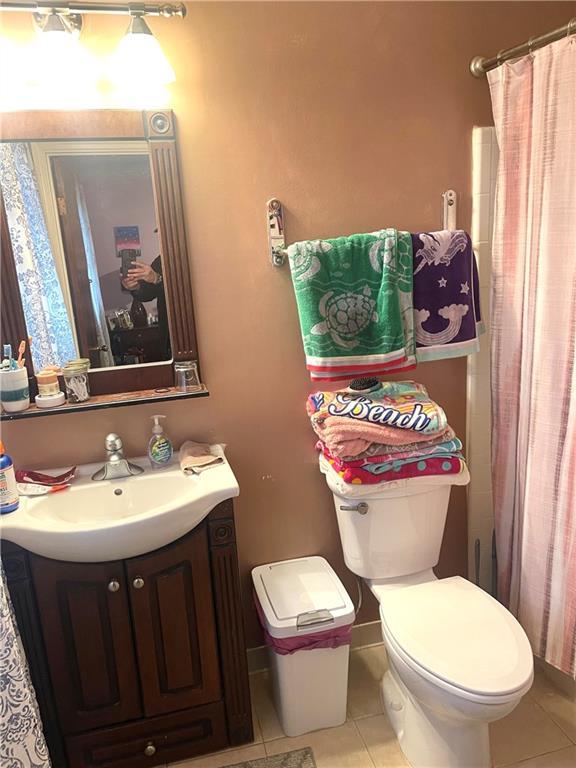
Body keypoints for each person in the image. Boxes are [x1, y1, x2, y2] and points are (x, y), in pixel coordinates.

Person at [121, 255, 170, 357]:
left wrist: (157, 278)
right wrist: (135, 287)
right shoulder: (163, 259)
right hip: (168, 327)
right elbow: (147, 294)